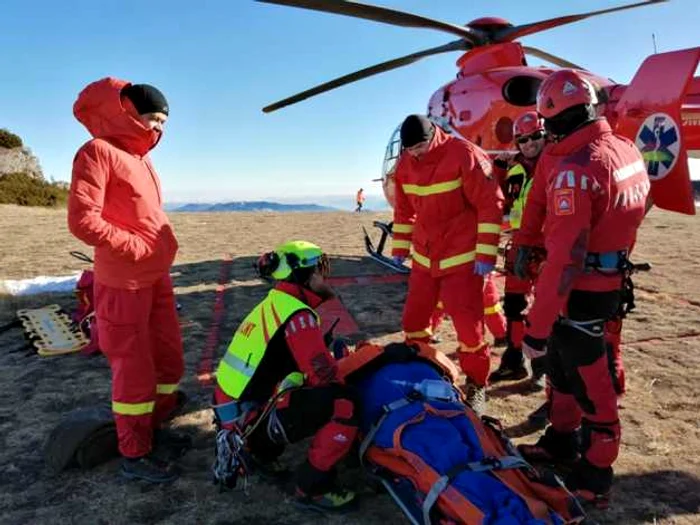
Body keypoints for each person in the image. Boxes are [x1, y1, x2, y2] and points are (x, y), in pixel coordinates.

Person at [514, 69, 650, 508]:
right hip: (609, 279)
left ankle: (595, 476)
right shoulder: (624, 149)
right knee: (565, 369)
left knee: (592, 382)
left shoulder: (576, 170)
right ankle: (561, 441)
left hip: (583, 292)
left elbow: (563, 261)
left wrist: (534, 328)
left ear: (552, 120)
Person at [67, 78, 188, 483]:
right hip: (123, 284)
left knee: (169, 358)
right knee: (133, 369)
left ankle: (157, 428)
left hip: (156, 277)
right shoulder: (97, 152)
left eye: (164, 121)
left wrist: (160, 245)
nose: (159, 128)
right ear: (127, 112)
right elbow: (83, 221)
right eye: (153, 118)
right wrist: (135, 248)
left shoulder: (141, 158)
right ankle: (134, 455)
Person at [212, 240, 358, 512]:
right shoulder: (297, 317)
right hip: (247, 422)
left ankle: (261, 452)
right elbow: (323, 376)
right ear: (305, 276)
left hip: (233, 416)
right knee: (344, 402)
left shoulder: (275, 304)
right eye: (320, 269)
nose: (325, 276)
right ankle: (313, 488)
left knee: (299, 391)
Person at [390, 114, 504, 413]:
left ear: (434, 135)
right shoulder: (405, 164)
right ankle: (422, 372)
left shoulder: (463, 155)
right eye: (410, 149)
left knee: (469, 330)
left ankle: (477, 384)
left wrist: (485, 255)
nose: (416, 154)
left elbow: (490, 204)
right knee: (413, 322)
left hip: (462, 261)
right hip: (425, 262)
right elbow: (403, 212)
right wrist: (400, 248)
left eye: (420, 147)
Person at [489, 111, 548, 385]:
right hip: (519, 245)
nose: (530, 144)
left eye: (535, 136)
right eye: (523, 139)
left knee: (546, 310)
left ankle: (542, 368)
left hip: (547, 246)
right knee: (514, 306)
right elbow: (499, 197)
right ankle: (514, 361)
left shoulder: (556, 164)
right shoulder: (515, 168)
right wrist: (499, 168)